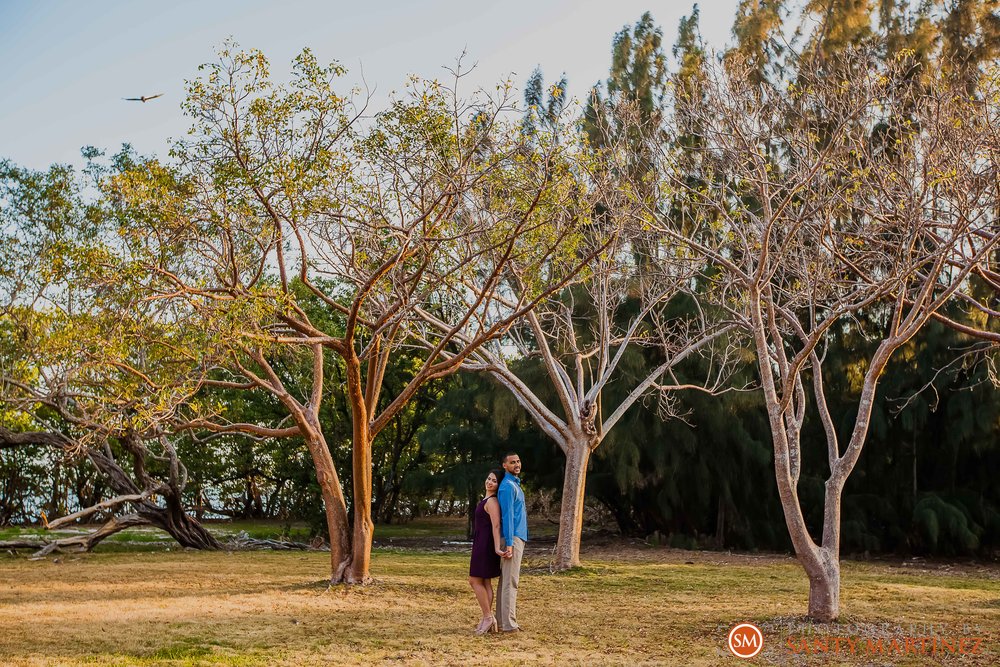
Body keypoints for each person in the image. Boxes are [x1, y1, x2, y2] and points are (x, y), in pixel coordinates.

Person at [468, 468, 509, 635]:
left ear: (498, 485)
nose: (490, 482)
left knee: (474, 580)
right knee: (484, 582)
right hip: (480, 542)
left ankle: (488, 616)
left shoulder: (492, 502)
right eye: (489, 478)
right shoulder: (486, 499)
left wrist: (497, 547)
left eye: (494, 481)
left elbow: (496, 525)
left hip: (486, 545)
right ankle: (487, 618)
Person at [496, 451, 527, 633]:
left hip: (516, 536)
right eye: (512, 462)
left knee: (506, 581)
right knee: (510, 582)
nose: (517, 464)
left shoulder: (514, 485)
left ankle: (502, 622)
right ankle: (509, 624)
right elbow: (507, 516)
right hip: (512, 538)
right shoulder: (507, 486)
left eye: (518, 461)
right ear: (505, 466)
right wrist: (509, 543)